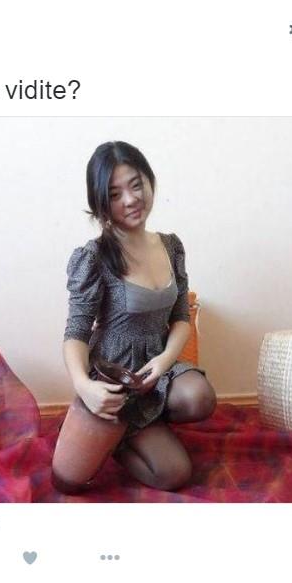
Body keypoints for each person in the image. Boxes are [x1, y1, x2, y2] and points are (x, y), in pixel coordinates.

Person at [52, 141, 216, 494]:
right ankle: (115, 435)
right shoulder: (94, 257)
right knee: (173, 475)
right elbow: (76, 331)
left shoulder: (171, 246)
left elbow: (181, 316)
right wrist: (84, 386)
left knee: (199, 397)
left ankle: (145, 424)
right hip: (116, 377)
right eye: (114, 194)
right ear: (100, 203)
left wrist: (165, 360)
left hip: (156, 367)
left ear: (149, 181)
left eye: (136, 185)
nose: (130, 200)